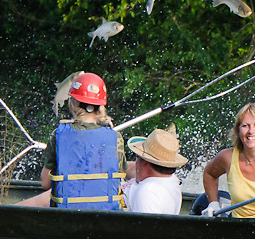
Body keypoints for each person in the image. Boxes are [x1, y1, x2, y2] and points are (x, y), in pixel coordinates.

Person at [25, 73, 126, 210]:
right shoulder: (116, 138)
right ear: (100, 107)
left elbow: (45, 183)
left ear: (72, 103)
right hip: (107, 219)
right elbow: (118, 175)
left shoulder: (57, 135)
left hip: (67, 218)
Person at [121, 127, 188, 215]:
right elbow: (132, 169)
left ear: (145, 163)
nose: (135, 162)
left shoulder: (148, 192)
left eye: (137, 157)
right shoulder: (170, 179)